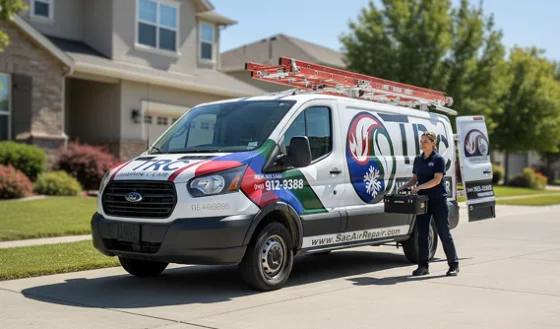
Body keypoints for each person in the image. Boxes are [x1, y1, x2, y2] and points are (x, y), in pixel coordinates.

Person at [399, 131, 459, 277]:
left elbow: (437, 180)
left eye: (426, 141)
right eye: (421, 141)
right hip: (423, 201)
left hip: (438, 200)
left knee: (444, 233)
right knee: (422, 234)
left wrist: (419, 187)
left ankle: (453, 265)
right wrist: (405, 186)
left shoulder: (438, 159)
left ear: (433, 143)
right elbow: (414, 179)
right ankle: (423, 266)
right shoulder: (418, 159)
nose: (423, 144)